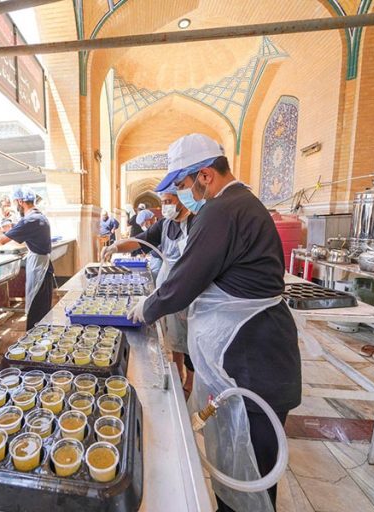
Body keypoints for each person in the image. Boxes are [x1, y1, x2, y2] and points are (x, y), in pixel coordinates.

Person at [127, 133, 301, 511]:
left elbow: (186, 279)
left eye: (184, 183)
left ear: (205, 175)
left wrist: (146, 309)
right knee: (242, 469)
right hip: (257, 351)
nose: (183, 193)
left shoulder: (222, 210)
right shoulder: (240, 204)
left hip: (253, 357)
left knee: (249, 475)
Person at [102, 187, 195, 396]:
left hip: (188, 285)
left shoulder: (195, 223)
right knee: (173, 335)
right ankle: (177, 373)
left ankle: (190, 383)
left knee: (189, 338)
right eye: (163, 202)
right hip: (167, 283)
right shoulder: (165, 225)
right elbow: (139, 240)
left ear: (182, 200)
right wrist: (116, 246)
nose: (165, 206)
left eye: (169, 201)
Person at [0, 187, 54, 330]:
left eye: (15, 202)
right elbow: (16, 237)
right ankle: (41, 339)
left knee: (37, 312)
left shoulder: (30, 220)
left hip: (39, 269)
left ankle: (35, 341)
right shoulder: (39, 217)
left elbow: (2, 241)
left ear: (20, 202)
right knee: (41, 309)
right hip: (43, 266)